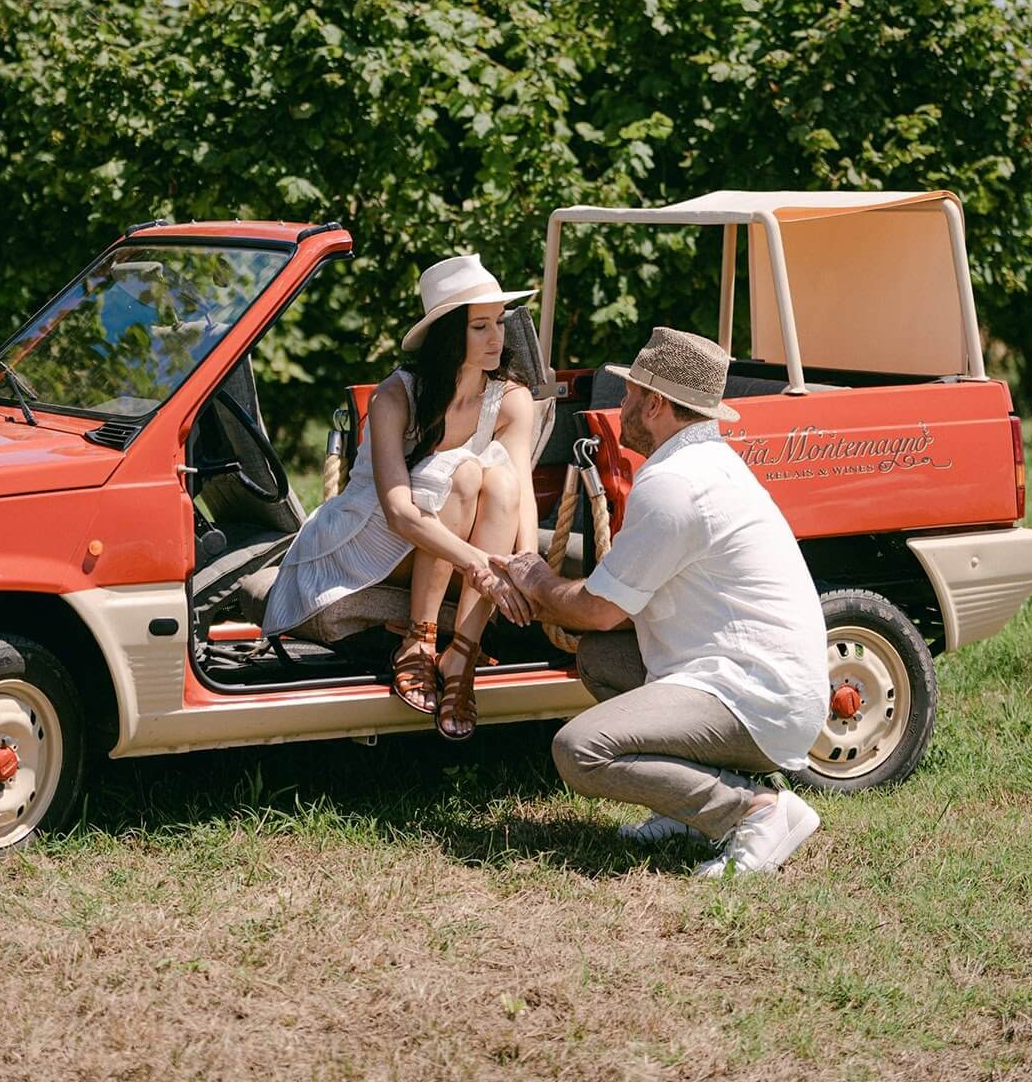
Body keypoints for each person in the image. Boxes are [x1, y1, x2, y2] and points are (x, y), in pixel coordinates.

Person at [477, 326, 830, 876]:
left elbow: (598, 609)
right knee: (601, 658)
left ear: (658, 404)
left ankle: (755, 810)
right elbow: (611, 613)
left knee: (580, 750)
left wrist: (535, 582)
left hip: (756, 697)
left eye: (631, 394)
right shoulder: (706, 464)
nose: (621, 406)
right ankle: (688, 809)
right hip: (762, 681)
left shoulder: (676, 484)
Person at [263, 254, 539, 740]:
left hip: (452, 547)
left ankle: (460, 658)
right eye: (480, 326)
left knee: (499, 481)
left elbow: (522, 491)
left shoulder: (510, 399)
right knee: (466, 472)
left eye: (499, 322)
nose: (497, 337)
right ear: (450, 333)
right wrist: (480, 566)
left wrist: (529, 563)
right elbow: (398, 513)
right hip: (369, 539)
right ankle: (419, 638)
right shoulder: (397, 395)